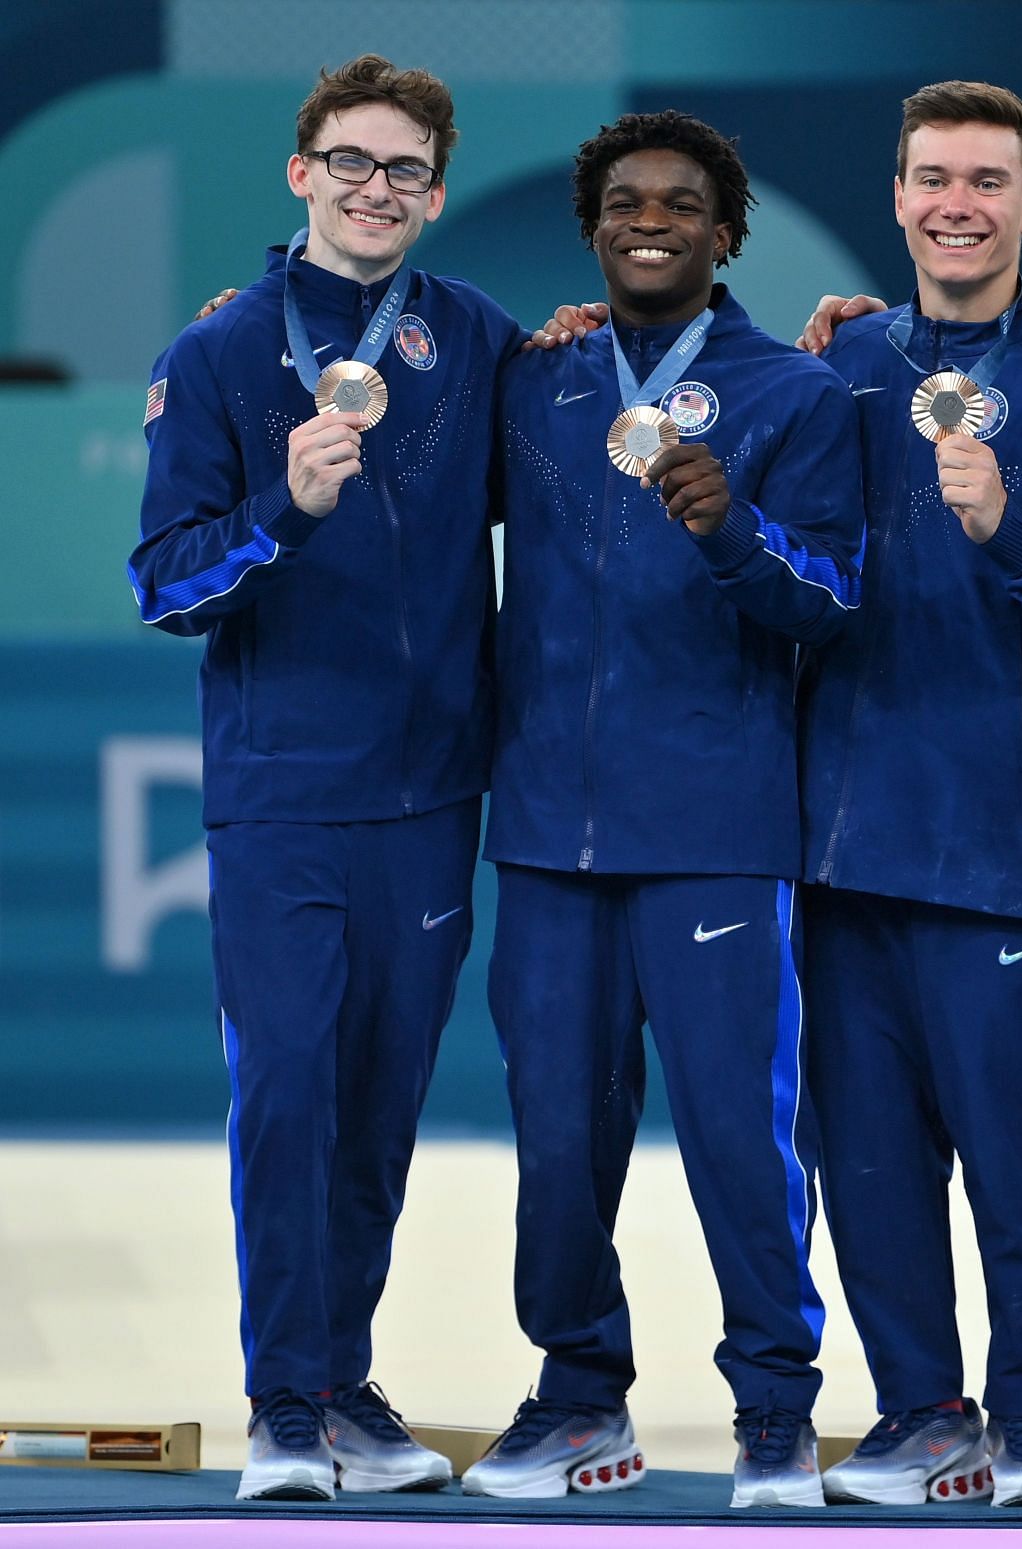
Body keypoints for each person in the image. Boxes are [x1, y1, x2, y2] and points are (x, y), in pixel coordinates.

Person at [771, 80, 1022, 1509]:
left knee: (1011, 1160)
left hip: (1000, 841)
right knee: (868, 1163)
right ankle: (920, 1415)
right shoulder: (836, 370)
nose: (957, 203)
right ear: (896, 198)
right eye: (932, 177)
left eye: (985, 181)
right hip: (837, 840)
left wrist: (1018, 529)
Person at [129, 55, 524, 1502]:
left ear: (434, 190)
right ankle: (283, 1402)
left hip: (430, 794)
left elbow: (594, 447)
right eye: (352, 163)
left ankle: (340, 1377)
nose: (377, 190)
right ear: (302, 173)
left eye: (407, 170)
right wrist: (283, 512)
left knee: (378, 1100)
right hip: (285, 788)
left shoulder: (472, 337)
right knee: (288, 1089)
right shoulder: (222, 352)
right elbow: (169, 585)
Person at [458, 111, 863, 1508]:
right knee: (557, 1140)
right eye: (626, 201)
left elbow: (827, 602)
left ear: (724, 232)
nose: (651, 220)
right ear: (593, 226)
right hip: (551, 834)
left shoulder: (789, 397)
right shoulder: (538, 383)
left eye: (681, 204)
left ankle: (773, 1410)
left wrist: (733, 529)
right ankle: (580, 1396)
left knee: (742, 1137)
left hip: (715, 831)